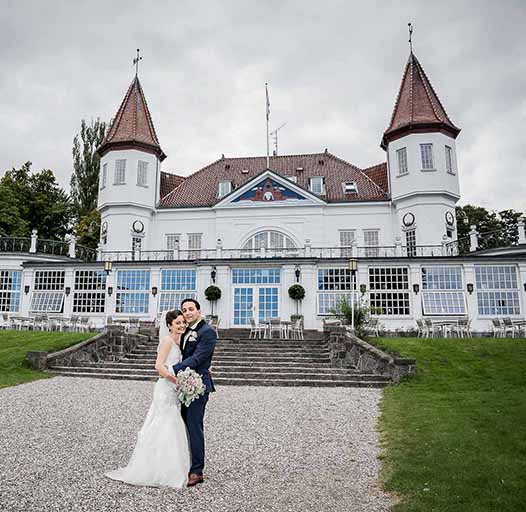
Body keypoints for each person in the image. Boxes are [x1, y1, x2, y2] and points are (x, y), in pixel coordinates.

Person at [105, 310, 190, 488]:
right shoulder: (167, 341)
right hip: (165, 388)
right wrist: (177, 381)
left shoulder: (179, 341)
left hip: (173, 389)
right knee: (165, 423)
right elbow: (158, 366)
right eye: (178, 323)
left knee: (172, 423)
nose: (182, 325)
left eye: (183, 322)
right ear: (169, 326)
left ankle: (167, 466)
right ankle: (159, 469)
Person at [173, 298, 217, 487]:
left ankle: (197, 470)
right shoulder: (185, 330)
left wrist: (172, 368)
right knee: (180, 424)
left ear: (199, 311)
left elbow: (198, 358)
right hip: (182, 384)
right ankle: (184, 462)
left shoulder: (207, 332)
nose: (188, 312)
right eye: (184, 310)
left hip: (198, 385)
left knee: (194, 426)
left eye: (191, 309)